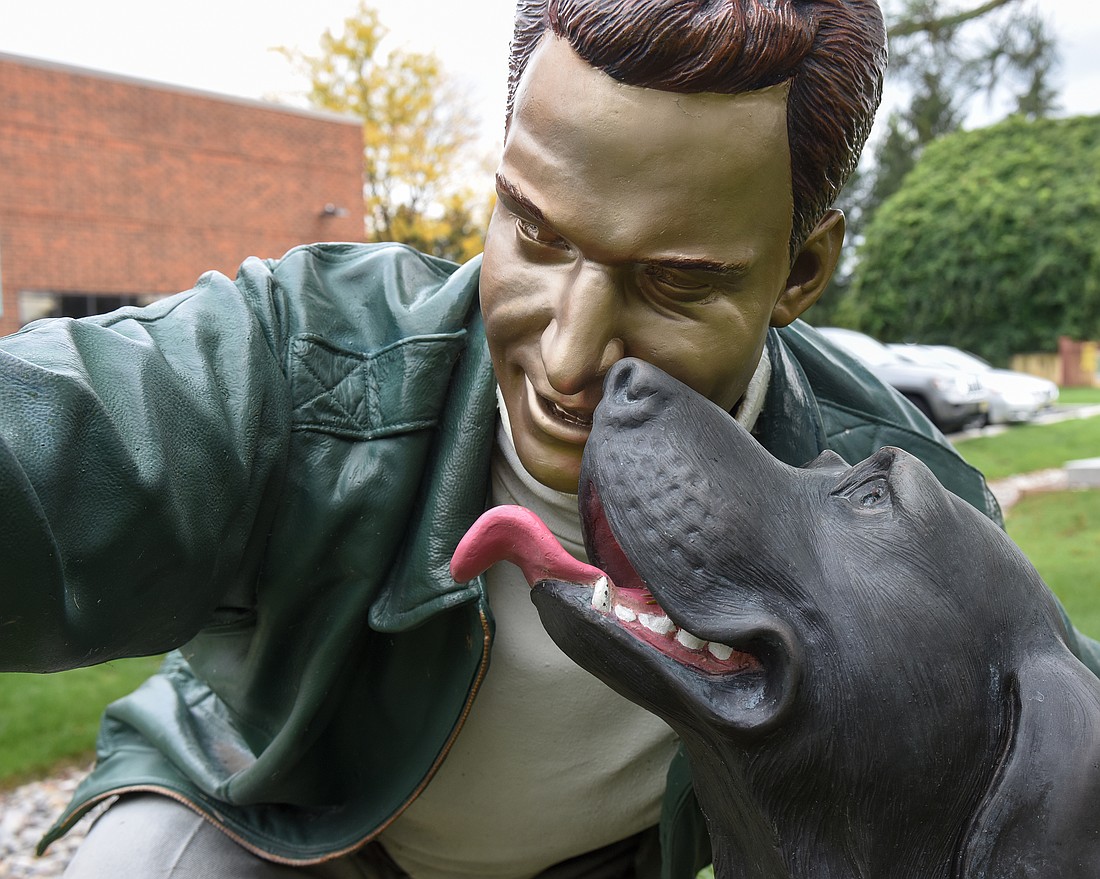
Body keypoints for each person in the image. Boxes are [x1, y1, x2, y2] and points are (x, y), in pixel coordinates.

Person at [2, 0, 1096, 877]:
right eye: (533, 229)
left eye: (673, 282)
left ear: (800, 271)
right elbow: (59, 447)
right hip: (267, 821)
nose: (568, 359)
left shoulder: (901, 518)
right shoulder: (306, 360)